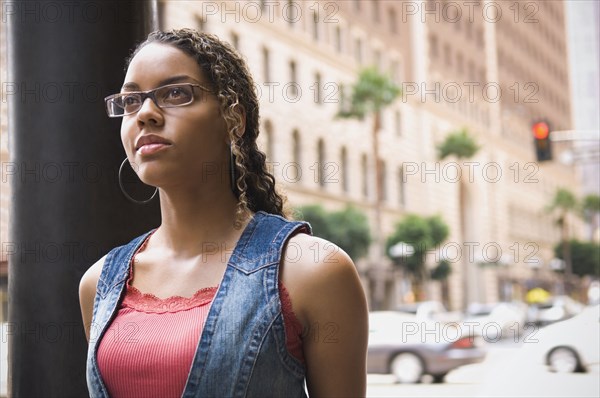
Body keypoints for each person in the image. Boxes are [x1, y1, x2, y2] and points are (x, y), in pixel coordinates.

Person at [79, 28, 369, 397]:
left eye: (176, 93)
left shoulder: (312, 271)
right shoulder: (100, 283)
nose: (146, 113)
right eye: (132, 100)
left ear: (234, 118)